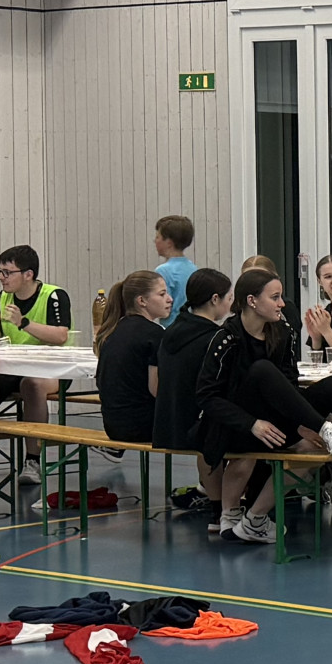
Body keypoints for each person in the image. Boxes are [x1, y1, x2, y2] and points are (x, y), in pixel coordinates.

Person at [196, 267, 332, 545]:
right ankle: (325, 429)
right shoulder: (226, 338)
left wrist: (302, 424)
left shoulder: (282, 332)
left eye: (281, 296)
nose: (282, 304)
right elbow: (207, 397)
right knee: (262, 369)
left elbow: (288, 385)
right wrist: (252, 423)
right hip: (238, 426)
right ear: (252, 301)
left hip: (275, 422)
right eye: (275, 297)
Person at [0, 246, 68, 445]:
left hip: (51, 369)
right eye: (0, 271)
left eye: (7, 272)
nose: (1, 277)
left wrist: (24, 323)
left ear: (28, 274)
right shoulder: (2, 297)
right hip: (13, 368)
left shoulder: (54, 296)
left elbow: (60, 336)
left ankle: (33, 457)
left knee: (31, 385)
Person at [153, 267, 231, 515]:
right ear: (215, 299)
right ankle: (226, 509)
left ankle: (212, 498)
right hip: (194, 427)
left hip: (167, 423)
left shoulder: (172, 331)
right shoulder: (215, 338)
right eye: (229, 298)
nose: (231, 304)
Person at [94, 268, 170, 446]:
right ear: (142, 301)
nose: (169, 299)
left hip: (113, 425)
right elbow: (157, 389)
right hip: (143, 426)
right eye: (162, 294)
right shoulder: (155, 334)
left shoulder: (111, 330)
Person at [151, 216, 196, 324]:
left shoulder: (163, 271)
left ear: (169, 243)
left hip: (171, 327)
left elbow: (163, 309)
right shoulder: (193, 268)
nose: (155, 241)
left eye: (157, 237)